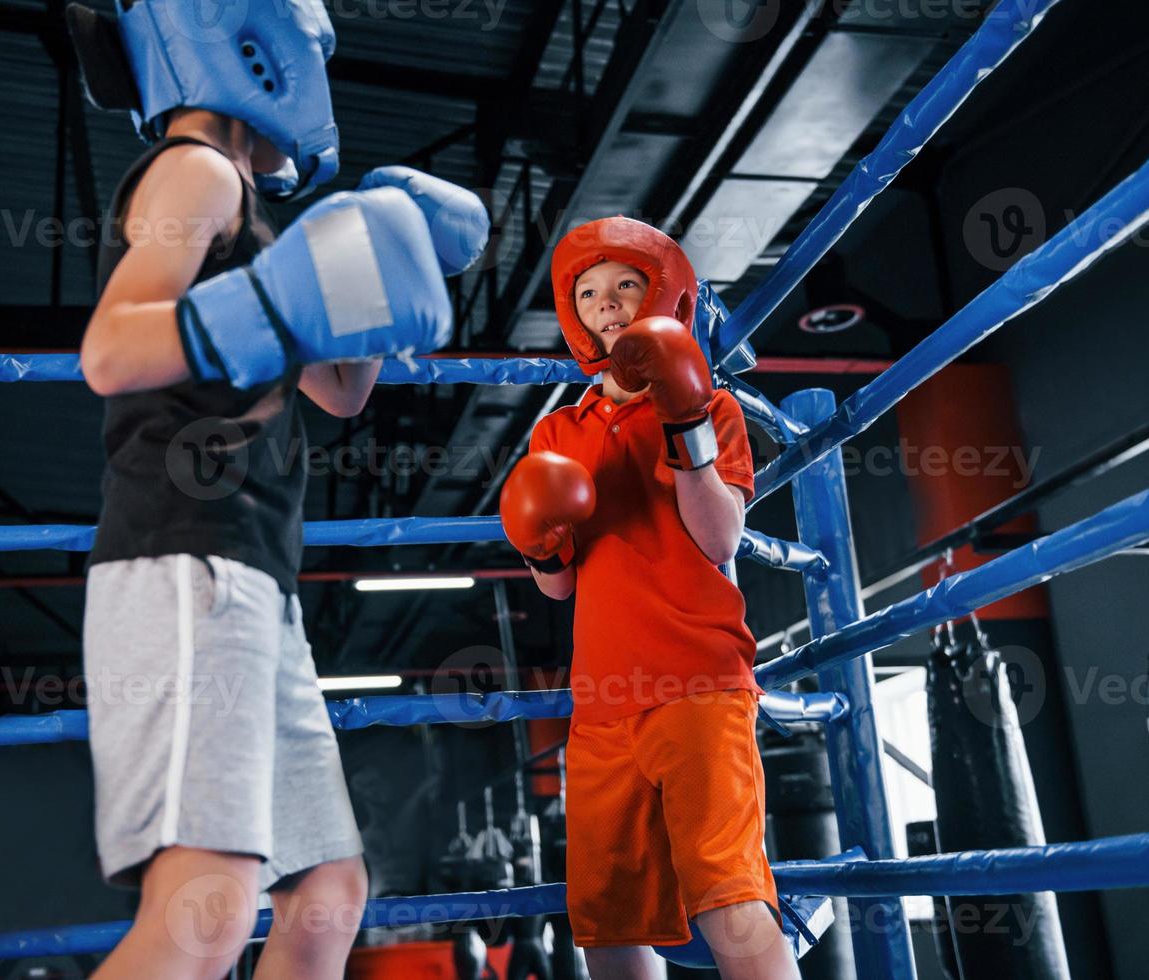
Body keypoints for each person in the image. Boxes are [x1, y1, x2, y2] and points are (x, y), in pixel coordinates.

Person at [66, 2, 487, 977]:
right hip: (184, 555)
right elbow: (109, 349)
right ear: (247, 36)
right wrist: (283, 300)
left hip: (252, 574)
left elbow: (337, 393)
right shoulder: (197, 170)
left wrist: (386, 283)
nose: (320, 60)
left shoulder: (257, 223)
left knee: (326, 895)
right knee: (208, 911)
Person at [499, 217, 798, 980]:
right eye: (590, 292)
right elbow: (559, 584)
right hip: (601, 701)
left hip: (698, 679)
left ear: (660, 297)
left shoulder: (715, 409)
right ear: (576, 315)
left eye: (626, 285)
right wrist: (537, 540)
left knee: (730, 897)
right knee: (608, 924)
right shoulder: (557, 434)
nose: (608, 303)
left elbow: (720, 538)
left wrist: (686, 418)